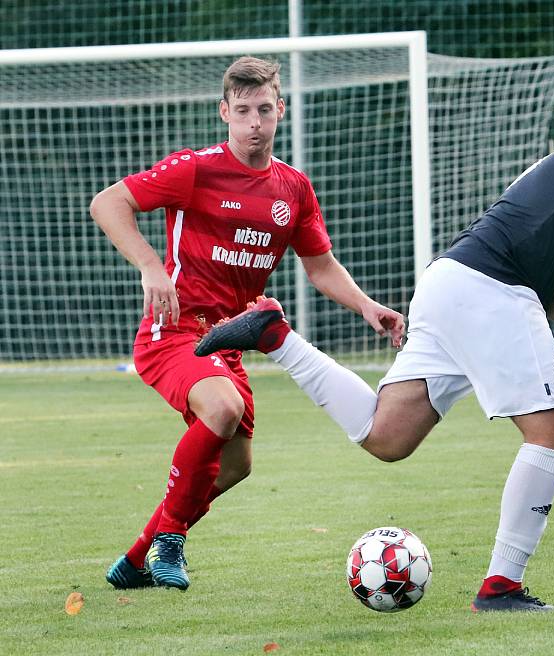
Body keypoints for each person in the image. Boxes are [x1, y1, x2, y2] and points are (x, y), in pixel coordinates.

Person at [195, 99, 554, 611]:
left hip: (455, 286)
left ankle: (275, 337)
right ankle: (501, 587)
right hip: (486, 289)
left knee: (387, 437)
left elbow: (542, 277)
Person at [90, 56, 404, 590]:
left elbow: (320, 265)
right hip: (177, 331)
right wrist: (150, 267)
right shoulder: (194, 169)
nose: (254, 122)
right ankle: (171, 542)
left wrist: (368, 306)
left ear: (281, 109)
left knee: (236, 467)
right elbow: (109, 202)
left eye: (264, 109)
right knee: (224, 406)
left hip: (229, 342)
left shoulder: (293, 189)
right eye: (242, 111)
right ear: (225, 113)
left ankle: (138, 558)